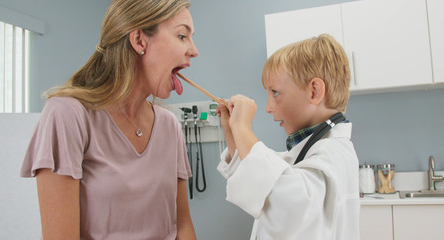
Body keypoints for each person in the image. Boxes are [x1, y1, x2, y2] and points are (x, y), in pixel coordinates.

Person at [20, 0, 199, 239]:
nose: (194, 50)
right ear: (139, 40)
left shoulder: (169, 125)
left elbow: (183, 225)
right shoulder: (67, 114)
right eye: (181, 36)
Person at [216, 34, 360, 239]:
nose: (267, 108)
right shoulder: (313, 150)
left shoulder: (333, 152)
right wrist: (233, 132)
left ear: (314, 91)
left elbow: (286, 201)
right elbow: (263, 176)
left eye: (275, 92)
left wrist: (242, 127)